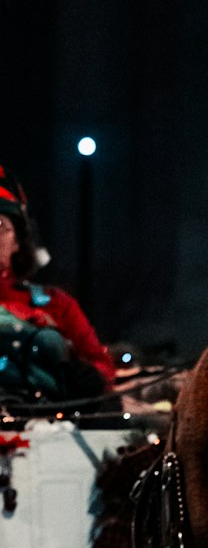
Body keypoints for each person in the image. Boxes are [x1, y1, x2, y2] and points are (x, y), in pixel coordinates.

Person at [0, 165, 115, 399]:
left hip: (43, 428)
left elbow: (103, 369)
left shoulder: (57, 305)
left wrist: (90, 377)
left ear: (18, 241)